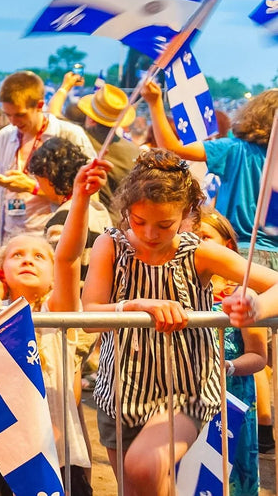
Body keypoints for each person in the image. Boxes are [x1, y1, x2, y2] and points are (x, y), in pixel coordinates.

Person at [82, 149, 278, 493]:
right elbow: (90, 317)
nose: (150, 234)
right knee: (136, 487)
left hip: (185, 392)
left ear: (186, 214)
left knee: (143, 467)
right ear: (126, 211)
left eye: (164, 225)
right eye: (138, 221)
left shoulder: (200, 252)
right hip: (119, 394)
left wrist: (255, 308)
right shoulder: (110, 246)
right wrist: (134, 306)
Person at [0, 158, 110, 496]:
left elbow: (68, 258)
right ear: (2, 270)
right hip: (2, 454)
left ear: (52, 276)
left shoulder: (56, 312)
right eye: (17, 256)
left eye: (39, 256)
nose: (27, 259)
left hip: (55, 453)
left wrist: (80, 199)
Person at [141, 84, 278, 267]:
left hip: (237, 252)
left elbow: (173, 148)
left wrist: (155, 103)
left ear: (255, 115)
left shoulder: (234, 149)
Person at [194, 208, 266, 496]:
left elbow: (258, 356)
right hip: (191, 399)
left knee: (231, 480)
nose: (197, 244)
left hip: (233, 402)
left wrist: (229, 366)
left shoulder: (243, 295)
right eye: (191, 237)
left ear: (227, 246)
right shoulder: (182, 291)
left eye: (205, 237)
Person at [0, 70, 93, 260]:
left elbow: (87, 194)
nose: (14, 122)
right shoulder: (5, 135)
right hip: (10, 241)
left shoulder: (69, 134)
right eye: (8, 115)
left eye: (20, 115)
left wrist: (33, 188)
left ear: (39, 105)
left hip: (51, 241)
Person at [68, 77, 142, 207]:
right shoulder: (134, 151)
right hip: (121, 216)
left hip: (86, 214)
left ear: (91, 118)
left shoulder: (78, 140)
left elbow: (54, 116)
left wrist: (65, 87)